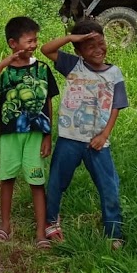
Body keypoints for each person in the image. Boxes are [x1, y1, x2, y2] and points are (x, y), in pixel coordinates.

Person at [40, 19, 128, 249]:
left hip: (98, 142)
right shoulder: (72, 64)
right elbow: (46, 49)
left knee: (109, 187)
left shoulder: (115, 73)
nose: (98, 50)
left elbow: (117, 105)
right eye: (89, 46)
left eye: (101, 43)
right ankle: (51, 221)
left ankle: (114, 232)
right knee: (57, 183)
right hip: (69, 138)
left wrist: (104, 134)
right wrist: (71, 38)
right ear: (78, 50)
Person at [0, 17, 58, 248]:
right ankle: (5, 225)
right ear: (13, 43)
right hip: (9, 135)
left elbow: (49, 104)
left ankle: (41, 231)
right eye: (29, 40)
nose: (34, 45)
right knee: (7, 178)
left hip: (35, 134)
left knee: (36, 181)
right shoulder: (3, 73)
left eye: (36, 40)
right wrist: (1, 65)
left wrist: (47, 135)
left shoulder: (42, 69)